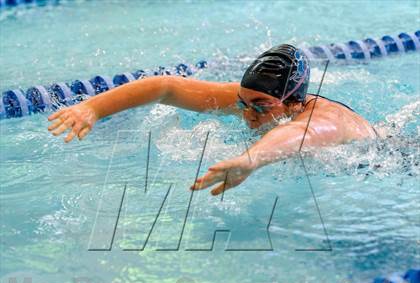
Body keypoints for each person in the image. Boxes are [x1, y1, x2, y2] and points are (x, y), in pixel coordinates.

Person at [48, 44, 378, 195]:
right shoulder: (254, 99)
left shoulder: (327, 121)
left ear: (293, 102)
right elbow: (167, 87)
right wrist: (91, 108)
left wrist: (252, 159)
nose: (248, 114)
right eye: (242, 103)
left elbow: (298, 136)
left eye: (261, 107)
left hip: (388, 161)